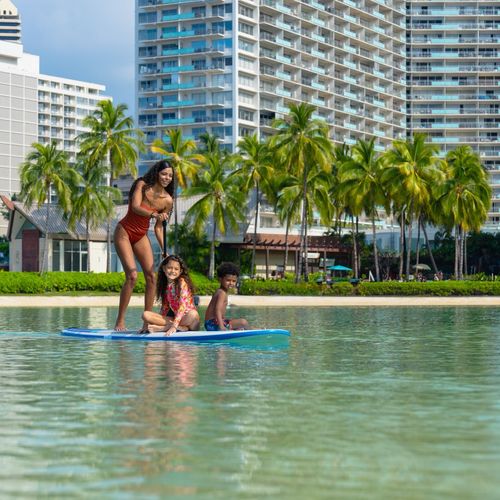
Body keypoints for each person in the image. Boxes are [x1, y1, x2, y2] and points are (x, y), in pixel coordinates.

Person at [114, 160, 174, 331]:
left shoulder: (167, 201)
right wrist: (155, 214)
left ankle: (147, 323)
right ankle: (120, 321)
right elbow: (134, 207)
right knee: (132, 276)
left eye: (170, 175)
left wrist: (164, 250)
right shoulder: (142, 185)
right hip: (124, 231)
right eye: (164, 174)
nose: (167, 178)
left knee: (152, 277)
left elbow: (158, 228)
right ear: (157, 173)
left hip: (141, 235)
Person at [142, 255, 200, 336]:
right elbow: (165, 308)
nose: (173, 271)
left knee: (193, 314)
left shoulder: (181, 282)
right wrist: (149, 323)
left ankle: (166, 328)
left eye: (176, 269)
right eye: (169, 268)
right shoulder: (166, 286)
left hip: (190, 320)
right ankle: (181, 327)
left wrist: (174, 326)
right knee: (146, 315)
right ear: (164, 268)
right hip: (175, 320)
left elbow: (182, 306)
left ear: (180, 271)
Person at [204, 262, 249, 331]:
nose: (231, 283)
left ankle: (246, 330)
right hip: (213, 324)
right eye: (228, 280)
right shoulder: (222, 293)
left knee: (240, 328)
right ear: (220, 279)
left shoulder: (220, 291)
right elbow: (217, 310)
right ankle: (254, 332)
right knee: (243, 322)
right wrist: (221, 326)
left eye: (234, 281)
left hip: (211, 323)